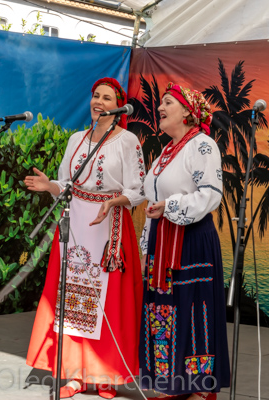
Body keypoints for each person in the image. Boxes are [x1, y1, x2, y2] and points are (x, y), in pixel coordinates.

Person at [25, 77, 145, 399]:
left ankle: (106, 375)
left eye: (106, 98)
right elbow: (67, 184)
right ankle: (75, 374)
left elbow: (138, 190)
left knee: (109, 301)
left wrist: (113, 201)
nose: (99, 102)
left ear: (118, 107)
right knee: (74, 300)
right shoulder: (77, 140)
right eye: (95, 96)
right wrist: (50, 186)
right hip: (76, 225)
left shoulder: (128, 141)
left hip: (109, 230)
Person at [139, 82, 230, 400]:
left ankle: (199, 388)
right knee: (164, 311)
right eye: (160, 103)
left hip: (191, 242)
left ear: (189, 112)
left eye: (167, 102)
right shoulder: (166, 152)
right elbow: (147, 191)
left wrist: (171, 206)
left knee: (193, 312)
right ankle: (170, 383)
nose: (159, 108)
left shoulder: (202, 145)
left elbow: (210, 195)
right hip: (162, 242)